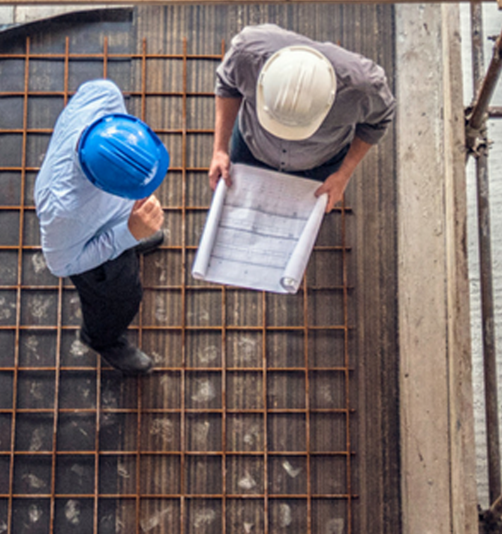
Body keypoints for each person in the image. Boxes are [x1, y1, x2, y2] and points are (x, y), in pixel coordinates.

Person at [35, 79, 169, 375]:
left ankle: (134, 238)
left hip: (112, 218)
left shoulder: (102, 95)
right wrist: (127, 235)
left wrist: (131, 226)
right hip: (88, 242)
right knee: (122, 297)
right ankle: (102, 339)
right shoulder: (65, 212)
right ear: (104, 187)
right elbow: (62, 263)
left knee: (132, 243)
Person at [208, 24, 395, 210]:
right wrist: (220, 150)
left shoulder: (363, 89)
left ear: (330, 101)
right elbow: (227, 85)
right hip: (251, 147)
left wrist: (343, 176)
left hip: (320, 163)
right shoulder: (247, 55)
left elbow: (379, 121)